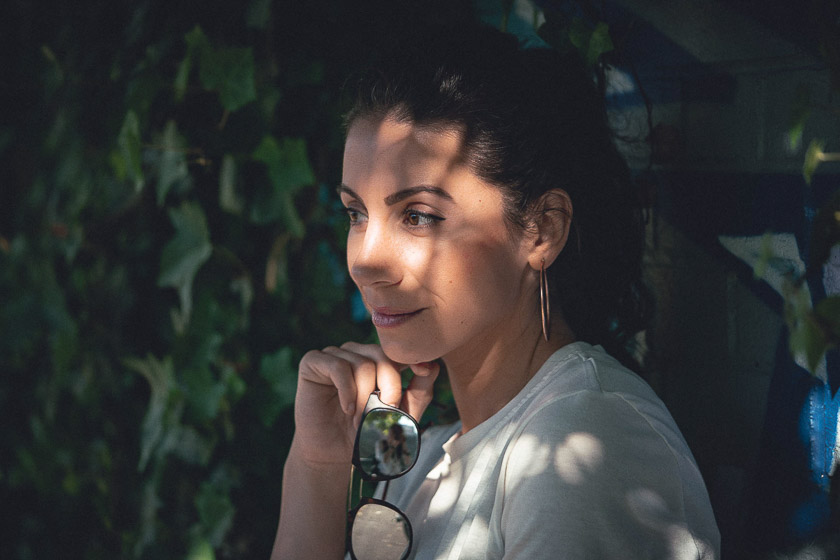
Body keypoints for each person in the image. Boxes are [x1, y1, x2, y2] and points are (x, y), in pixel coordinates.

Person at [271, 22, 720, 560]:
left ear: (542, 230)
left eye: (417, 215)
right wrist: (317, 471)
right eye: (355, 213)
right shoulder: (430, 456)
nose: (365, 260)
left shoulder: (578, 440)